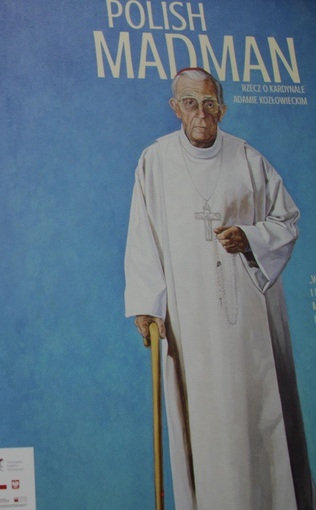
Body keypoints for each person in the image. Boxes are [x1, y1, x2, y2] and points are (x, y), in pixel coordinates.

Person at [124, 67, 314, 510]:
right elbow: (142, 237)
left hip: (250, 331)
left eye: (210, 104)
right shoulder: (155, 162)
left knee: (258, 424)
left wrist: (250, 238)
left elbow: (286, 220)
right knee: (204, 433)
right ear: (175, 109)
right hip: (191, 331)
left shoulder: (249, 160)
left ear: (223, 109)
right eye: (190, 103)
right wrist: (147, 307)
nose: (201, 114)